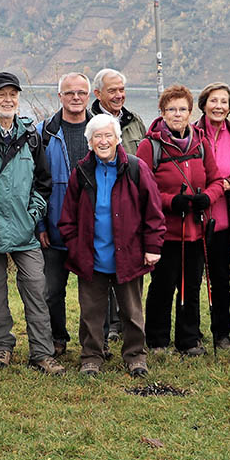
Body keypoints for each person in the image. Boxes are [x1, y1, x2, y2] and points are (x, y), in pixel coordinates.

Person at [0, 71, 65, 374]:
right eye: (1, 94)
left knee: (37, 290)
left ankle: (42, 352)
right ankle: (2, 347)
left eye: (12, 94)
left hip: (24, 232)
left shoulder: (31, 136)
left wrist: (33, 214)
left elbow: (43, 182)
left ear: (18, 98)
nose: (7, 99)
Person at [58, 113, 164, 376]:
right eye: (97, 137)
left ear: (118, 139)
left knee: (131, 312)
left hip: (128, 255)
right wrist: (76, 247)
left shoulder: (137, 168)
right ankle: (92, 356)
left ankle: (135, 356)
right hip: (91, 258)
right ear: (90, 142)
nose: (103, 141)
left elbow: (154, 213)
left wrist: (152, 247)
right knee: (91, 314)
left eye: (108, 135)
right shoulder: (81, 172)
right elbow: (67, 218)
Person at [138, 85, 224, 357]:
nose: (178, 114)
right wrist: (170, 201)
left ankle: (188, 340)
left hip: (196, 231)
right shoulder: (149, 146)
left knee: (191, 285)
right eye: (171, 109)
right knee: (163, 286)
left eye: (183, 109)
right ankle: (157, 341)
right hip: (164, 232)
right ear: (162, 113)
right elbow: (142, 188)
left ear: (191, 112)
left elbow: (217, 181)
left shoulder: (201, 143)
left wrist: (207, 199)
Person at [38, 72, 93, 357]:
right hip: (55, 226)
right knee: (52, 292)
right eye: (69, 92)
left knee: (94, 292)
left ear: (89, 95)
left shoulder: (101, 129)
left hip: (93, 230)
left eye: (81, 92)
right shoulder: (44, 132)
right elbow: (34, 183)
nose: (75, 97)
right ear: (60, 96)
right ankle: (57, 339)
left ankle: (94, 342)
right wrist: (39, 225)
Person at [192, 82, 230, 350]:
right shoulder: (190, 134)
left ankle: (222, 335)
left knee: (221, 281)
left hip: (224, 221)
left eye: (224, 102)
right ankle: (190, 335)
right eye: (213, 101)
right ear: (203, 104)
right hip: (194, 219)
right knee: (191, 281)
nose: (219, 106)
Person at [91, 68, 147, 159]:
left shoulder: (135, 121)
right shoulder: (89, 122)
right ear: (98, 94)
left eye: (121, 90)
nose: (119, 96)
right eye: (112, 91)